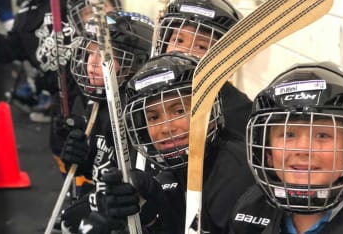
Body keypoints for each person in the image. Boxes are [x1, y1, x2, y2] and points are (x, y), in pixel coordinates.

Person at [81, 52, 255, 233]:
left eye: (179, 111)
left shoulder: (239, 177)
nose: (166, 128)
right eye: (154, 117)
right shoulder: (169, 175)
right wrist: (149, 218)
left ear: (210, 111)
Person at [228, 61, 343, 233]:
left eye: (322, 135)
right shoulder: (248, 209)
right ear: (267, 152)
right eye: (289, 134)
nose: (303, 149)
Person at [59, 10, 154, 233]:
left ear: (137, 64)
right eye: (90, 53)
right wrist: (81, 157)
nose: (92, 64)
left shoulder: (140, 116)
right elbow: (99, 167)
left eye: (104, 56)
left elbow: (146, 193)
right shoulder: (98, 103)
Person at [154, 0, 252, 138]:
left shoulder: (242, 113)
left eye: (201, 47)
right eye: (178, 40)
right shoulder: (146, 96)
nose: (184, 52)